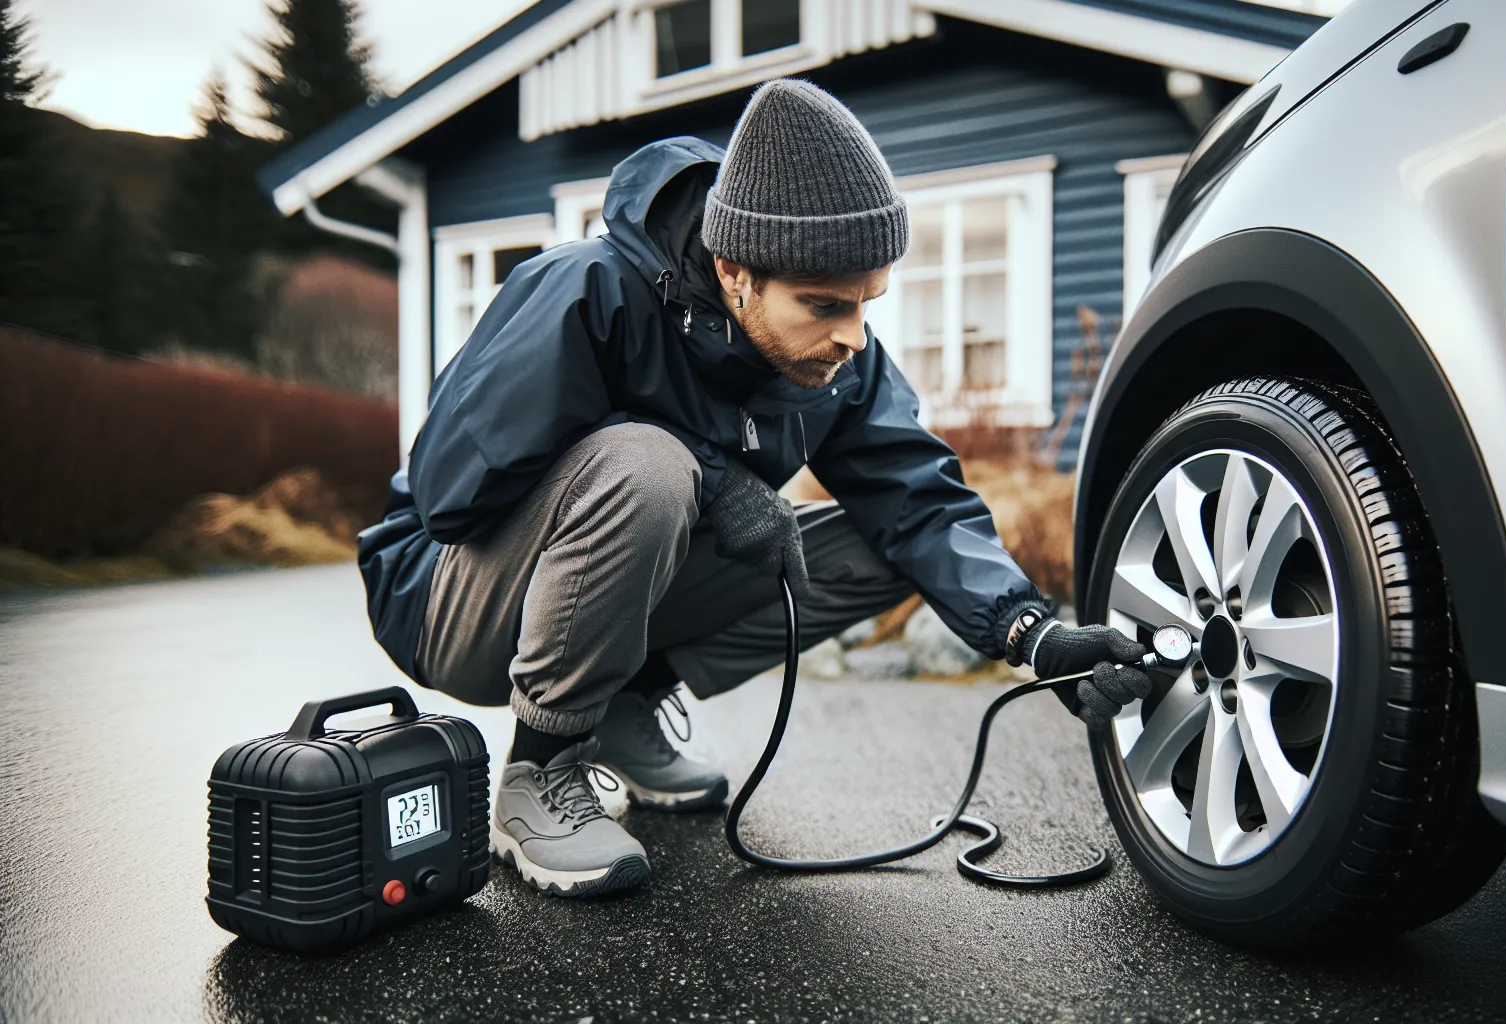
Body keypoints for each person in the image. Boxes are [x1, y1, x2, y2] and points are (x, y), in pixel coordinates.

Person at [357, 79, 1153, 896]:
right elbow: (450, 493)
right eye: (825, 305)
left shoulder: (839, 357)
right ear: (734, 272)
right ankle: (540, 769)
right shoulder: (585, 293)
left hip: (599, 569)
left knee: (878, 549)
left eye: (870, 302)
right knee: (649, 469)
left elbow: (920, 500)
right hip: (445, 595)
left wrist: (1031, 635)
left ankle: (625, 707)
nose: (854, 333)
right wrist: (707, 476)